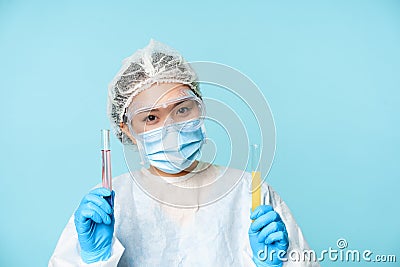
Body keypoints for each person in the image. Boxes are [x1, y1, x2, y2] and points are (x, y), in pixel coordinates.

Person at [49, 39, 320, 267]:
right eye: (152, 117)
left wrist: (278, 264)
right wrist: (95, 259)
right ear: (127, 129)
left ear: (200, 110)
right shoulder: (107, 205)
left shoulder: (251, 193)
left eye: (181, 110)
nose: (171, 128)